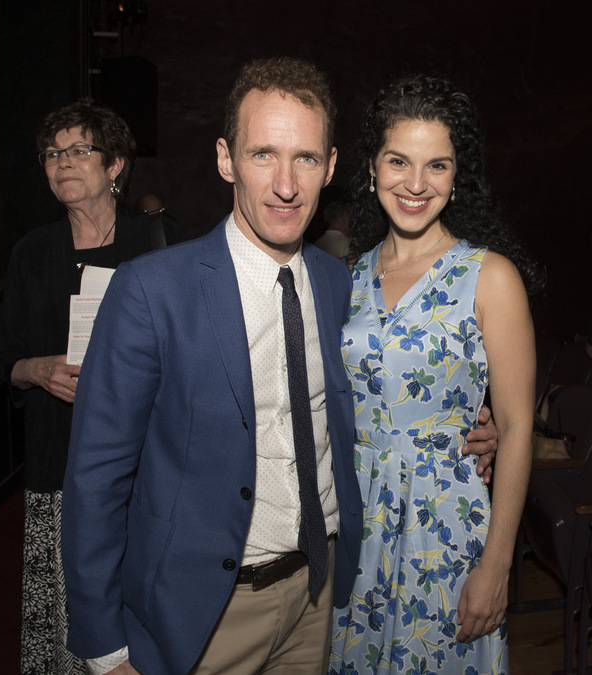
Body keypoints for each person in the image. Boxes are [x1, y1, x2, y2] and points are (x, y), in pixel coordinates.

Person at [61, 59, 497, 675]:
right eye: (263, 154)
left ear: (333, 166)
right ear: (225, 159)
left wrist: (473, 425)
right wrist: (106, 651)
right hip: (201, 615)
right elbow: (95, 478)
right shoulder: (150, 291)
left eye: (307, 159)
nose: (286, 185)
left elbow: (383, 393)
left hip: (320, 602)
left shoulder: (340, 283)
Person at [329, 75, 537, 674]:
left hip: (444, 530)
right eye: (399, 161)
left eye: (436, 165)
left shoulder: (489, 276)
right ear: (371, 167)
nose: (416, 184)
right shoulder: (343, 275)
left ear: (456, 175)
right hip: (354, 527)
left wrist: (497, 565)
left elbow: (519, 426)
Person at [0, 99, 177, 675]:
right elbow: (2, 358)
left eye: (78, 150)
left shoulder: (159, 246)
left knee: (145, 629)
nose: (62, 162)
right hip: (59, 464)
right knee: (65, 640)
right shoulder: (32, 253)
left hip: (144, 470)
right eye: (52, 153)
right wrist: (36, 370)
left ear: (116, 163)